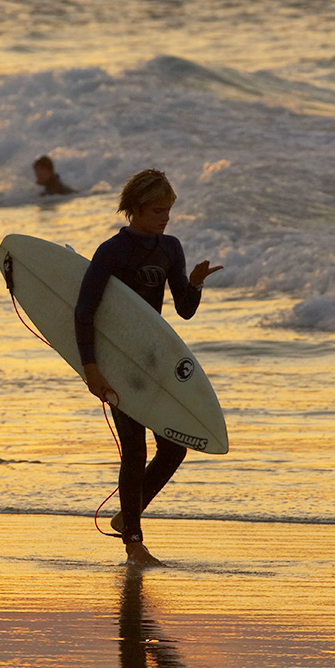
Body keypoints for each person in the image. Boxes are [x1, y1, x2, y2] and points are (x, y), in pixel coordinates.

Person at [74, 169, 222, 567]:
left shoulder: (170, 248)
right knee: (134, 451)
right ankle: (134, 544)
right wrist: (92, 370)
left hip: (152, 361)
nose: (165, 218)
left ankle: (128, 515)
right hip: (118, 362)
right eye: (158, 210)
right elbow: (84, 312)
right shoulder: (111, 252)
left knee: (174, 446)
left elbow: (184, 312)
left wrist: (195, 284)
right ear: (135, 209)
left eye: (169, 211)